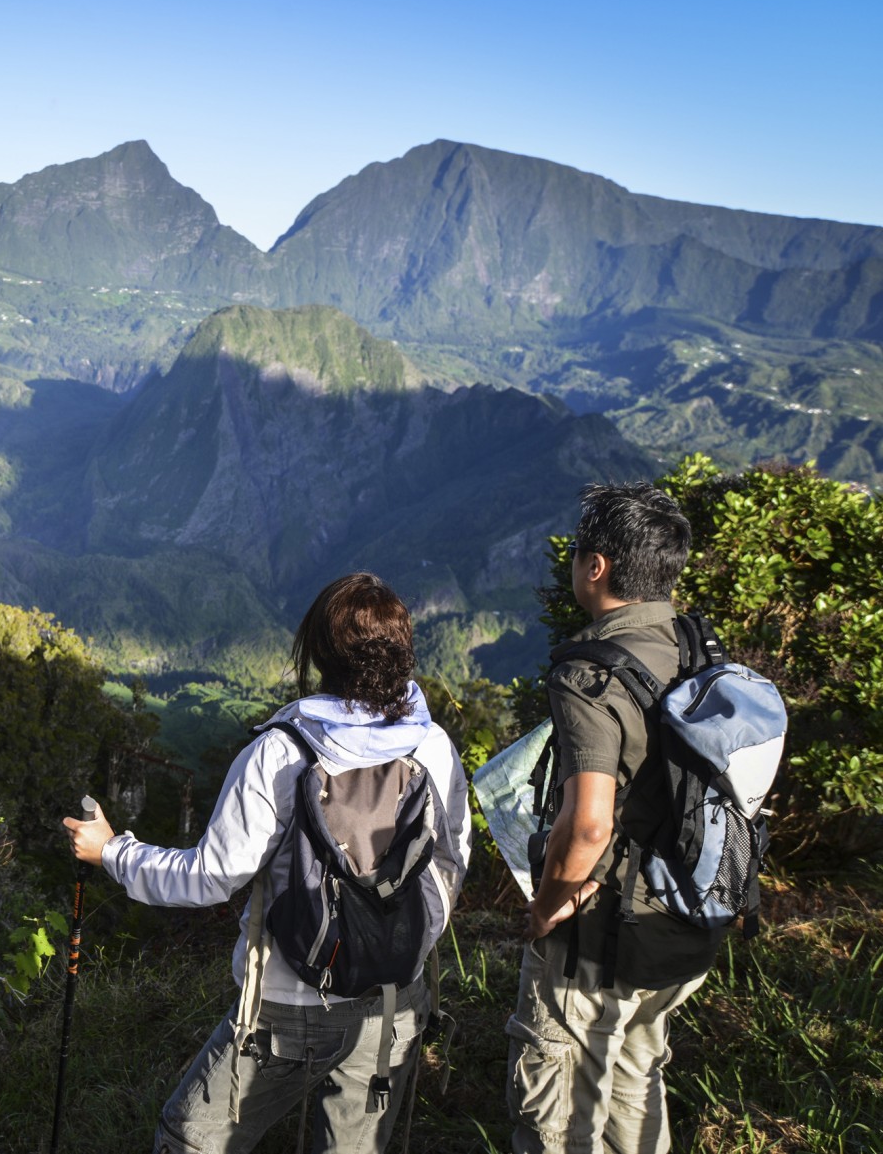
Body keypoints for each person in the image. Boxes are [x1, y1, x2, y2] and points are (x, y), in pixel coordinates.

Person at [65, 571, 470, 1154]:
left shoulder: (281, 753)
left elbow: (210, 877)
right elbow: (450, 861)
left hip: (287, 1007)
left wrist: (112, 852)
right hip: (394, 1004)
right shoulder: (431, 745)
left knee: (191, 1139)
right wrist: (402, 943)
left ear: (321, 655)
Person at [508, 482, 710, 1153]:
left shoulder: (591, 673)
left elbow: (588, 823)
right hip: (683, 917)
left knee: (557, 1101)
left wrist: (545, 907)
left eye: (578, 554)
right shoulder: (693, 645)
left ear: (597, 567)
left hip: (602, 933)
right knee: (633, 1078)